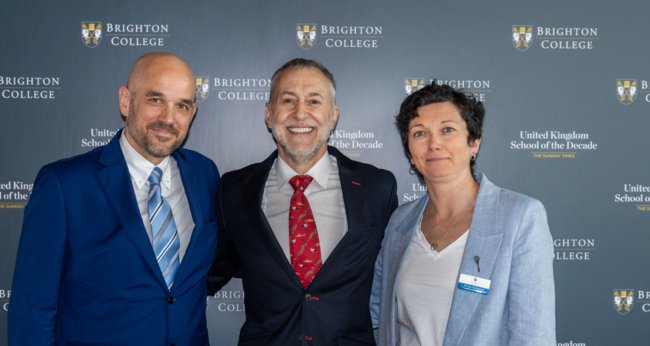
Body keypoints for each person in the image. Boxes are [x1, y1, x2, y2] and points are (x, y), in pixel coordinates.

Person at [8, 52, 219, 346]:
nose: (168, 118)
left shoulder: (204, 173)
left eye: (181, 105)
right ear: (126, 100)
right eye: (155, 100)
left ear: (192, 112)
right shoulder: (64, 185)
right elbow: (32, 308)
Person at [208, 58, 398, 345]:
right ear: (269, 115)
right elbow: (207, 272)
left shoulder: (377, 188)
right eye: (288, 100)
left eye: (313, 101)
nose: (300, 113)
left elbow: (397, 278)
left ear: (333, 116)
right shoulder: (233, 190)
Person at [370, 82, 555, 345]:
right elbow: (379, 316)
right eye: (420, 133)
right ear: (410, 153)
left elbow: (533, 335)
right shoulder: (400, 222)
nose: (434, 144)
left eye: (447, 130)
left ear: (474, 143)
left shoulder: (520, 217)